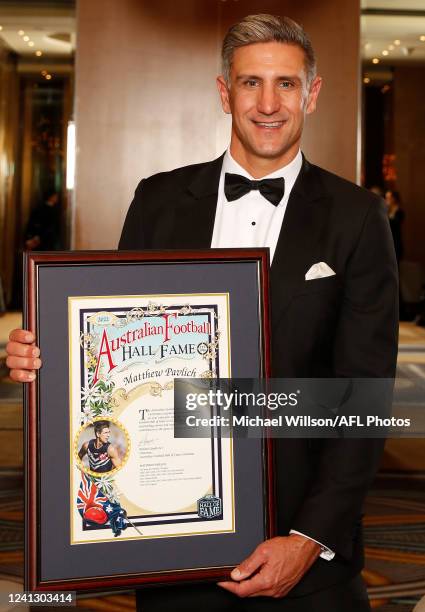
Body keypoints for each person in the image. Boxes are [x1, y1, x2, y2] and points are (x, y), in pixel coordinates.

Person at [6, 14, 398, 612]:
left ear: (312, 94)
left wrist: (308, 539)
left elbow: (364, 397)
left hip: (305, 553)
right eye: (250, 83)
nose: (268, 103)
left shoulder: (358, 216)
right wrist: (46, 358)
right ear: (224, 92)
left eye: (286, 84)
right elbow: (113, 352)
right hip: (172, 543)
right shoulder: (158, 200)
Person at [385, 189, 404, 264]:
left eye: (388, 198)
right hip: (387, 239)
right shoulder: (386, 210)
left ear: (394, 199)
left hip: (396, 240)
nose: (386, 200)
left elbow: (395, 224)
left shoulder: (399, 211)